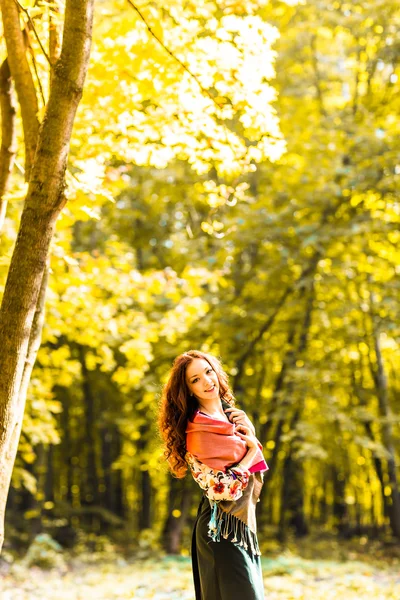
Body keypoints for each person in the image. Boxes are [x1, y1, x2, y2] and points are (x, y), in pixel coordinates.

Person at [158, 349, 269, 600]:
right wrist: (252, 449)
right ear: (187, 389)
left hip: (241, 529)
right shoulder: (199, 430)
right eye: (195, 379)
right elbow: (223, 490)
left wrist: (250, 434)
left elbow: (253, 471)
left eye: (208, 372)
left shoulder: (231, 417)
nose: (207, 381)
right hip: (221, 532)